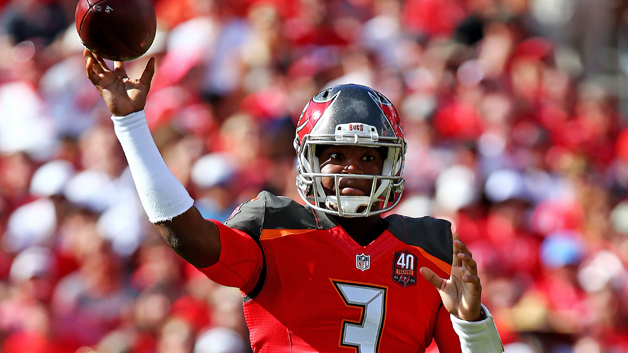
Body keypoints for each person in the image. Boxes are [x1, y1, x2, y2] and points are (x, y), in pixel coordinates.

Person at [83, 49, 504, 353]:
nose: (352, 169)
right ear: (307, 159)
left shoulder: (430, 249)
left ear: (391, 163)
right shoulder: (275, 226)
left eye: (368, 157)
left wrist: (471, 324)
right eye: (335, 155)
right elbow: (186, 234)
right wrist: (131, 123)